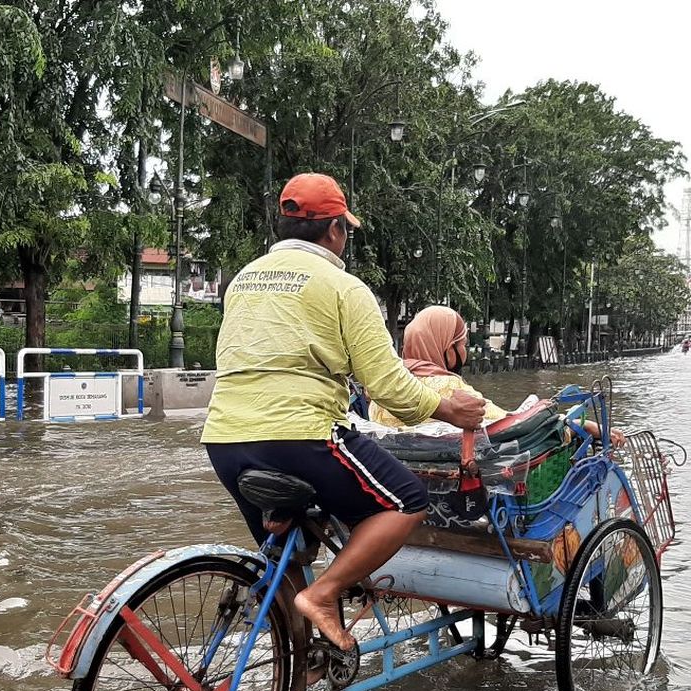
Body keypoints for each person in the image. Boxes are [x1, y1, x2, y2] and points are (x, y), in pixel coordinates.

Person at [202, 173, 485, 652]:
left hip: (224, 438)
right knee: (406, 502)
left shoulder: (241, 282)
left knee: (286, 558)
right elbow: (389, 387)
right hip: (302, 434)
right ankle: (327, 591)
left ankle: (298, 668)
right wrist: (447, 408)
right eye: (346, 230)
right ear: (335, 230)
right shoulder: (344, 286)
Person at [369, 306, 624, 445]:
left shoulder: (385, 390)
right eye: (462, 344)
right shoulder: (451, 389)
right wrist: (580, 425)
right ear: (447, 349)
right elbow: (514, 427)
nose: (465, 352)